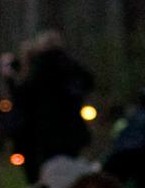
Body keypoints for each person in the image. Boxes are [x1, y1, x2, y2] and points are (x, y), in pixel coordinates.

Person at [13, 31, 96, 177]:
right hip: (71, 128)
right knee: (70, 166)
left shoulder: (38, 66)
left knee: (48, 168)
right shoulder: (69, 63)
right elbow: (89, 81)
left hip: (45, 130)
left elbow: (24, 96)